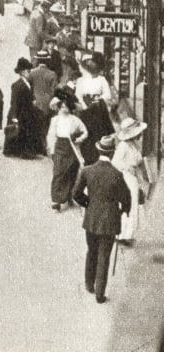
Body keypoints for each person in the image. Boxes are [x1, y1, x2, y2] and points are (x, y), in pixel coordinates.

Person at [72, 135, 131, 303]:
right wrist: (123, 211)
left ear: (98, 151)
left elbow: (76, 194)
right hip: (110, 221)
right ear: (112, 153)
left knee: (92, 251)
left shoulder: (87, 171)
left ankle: (89, 284)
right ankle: (100, 293)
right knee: (104, 255)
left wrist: (88, 204)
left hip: (91, 219)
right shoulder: (116, 174)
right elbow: (125, 198)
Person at [112, 116, 151, 244]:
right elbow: (115, 162)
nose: (141, 135)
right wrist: (129, 168)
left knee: (134, 204)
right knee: (128, 204)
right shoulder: (123, 146)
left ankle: (128, 233)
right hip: (126, 178)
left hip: (133, 178)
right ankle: (123, 234)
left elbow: (138, 161)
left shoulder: (134, 145)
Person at [47, 90, 88, 210]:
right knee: (58, 173)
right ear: (59, 107)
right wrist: (52, 150)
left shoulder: (75, 120)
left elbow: (85, 132)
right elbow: (51, 135)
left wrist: (79, 139)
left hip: (72, 148)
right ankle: (55, 200)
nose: (64, 109)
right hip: (59, 146)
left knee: (71, 173)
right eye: (62, 106)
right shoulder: (55, 120)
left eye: (66, 106)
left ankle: (68, 195)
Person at [75, 56, 115, 165]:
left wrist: (98, 99)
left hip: (98, 110)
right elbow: (78, 94)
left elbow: (107, 94)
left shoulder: (102, 80)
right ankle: (87, 156)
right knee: (86, 132)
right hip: (85, 109)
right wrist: (84, 105)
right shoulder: (81, 80)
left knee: (98, 132)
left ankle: (97, 156)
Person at [4, 58, 43, 158]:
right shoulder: (17, 85)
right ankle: (22, 152)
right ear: (22, 72)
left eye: (29, 71)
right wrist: (14, 116)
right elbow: (14, 102)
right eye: (27, 71)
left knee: (26, 132)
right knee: (21, 131)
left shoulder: (28, 83)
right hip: (20, 112)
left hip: (27, 111)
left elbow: (30, 95)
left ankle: (26, 151)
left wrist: (33, 99)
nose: (28, 73)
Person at [29, 51, 58, 152]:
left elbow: (29, 88)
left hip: (35, 102)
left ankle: (35, 146)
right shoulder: (52, 74)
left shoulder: (32, 73)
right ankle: (44, 146)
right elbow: (54, 91)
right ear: (47, 60)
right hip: (47, 103)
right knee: (46, 125)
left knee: (35, 124)